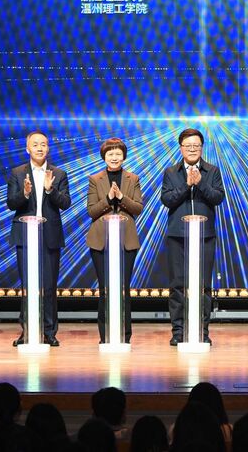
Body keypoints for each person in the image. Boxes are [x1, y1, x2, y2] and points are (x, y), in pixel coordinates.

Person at [160, 128, 225, 345]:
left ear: (202, 148)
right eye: (188, 146)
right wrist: (186, 184)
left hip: (204, 235)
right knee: (177, 284)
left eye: (196, 145)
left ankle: (201, 331)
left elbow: (218, 197)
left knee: (203, 285)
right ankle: (178, 331)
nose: (192, 149)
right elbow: (167, 199)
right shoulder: (171, 172)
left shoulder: (212, 171)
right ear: (181, 148)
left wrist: (200, 183)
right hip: (178, 235)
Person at [5, 130, 70, 347]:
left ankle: (49, 332)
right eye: (35, 144)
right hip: (25, 235)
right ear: (27, 149)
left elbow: (65, 203)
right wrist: (24, 194)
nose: (39, 148)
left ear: (48, 148)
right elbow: (11, 204)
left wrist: (51, 190)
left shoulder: (59, 173)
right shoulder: (17, 173)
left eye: (43, 144)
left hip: (49, 234)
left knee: (49, 286)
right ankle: (28, 331)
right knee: (28, 285)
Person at [87, 137, 143, 344]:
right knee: (105, 289)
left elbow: (138, 208)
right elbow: (92, 211)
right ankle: (105, 336)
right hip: (100, 241)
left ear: (124, 156)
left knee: (123, 288)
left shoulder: (132, 178)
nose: (114, 157)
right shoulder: (95, 179)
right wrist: (109, 199)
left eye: (118, 153)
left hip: (126, 240)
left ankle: (124, 336)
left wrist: (121, 197)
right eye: (110, 153)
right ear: (104, 156)